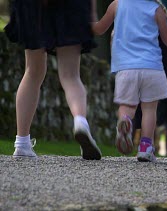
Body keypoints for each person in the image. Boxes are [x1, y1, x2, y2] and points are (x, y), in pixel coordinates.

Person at [4, 0, 102, 160]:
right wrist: (92, 12)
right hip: (69, 6)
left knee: (33, 71)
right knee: (70, 75)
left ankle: (22, 143)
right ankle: (80, 122)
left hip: (31, 6)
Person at [92, 0, 167, 162]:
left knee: (127, 106)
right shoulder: (157, 9)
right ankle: (145, 147)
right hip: (152, 67)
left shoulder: (117, 5)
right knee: (149, 109)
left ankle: (125, 122)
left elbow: (100, 28)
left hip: (126, 67)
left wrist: (81, 24)